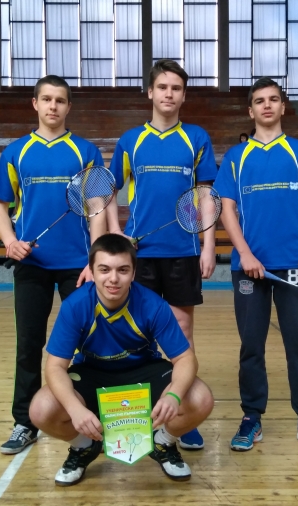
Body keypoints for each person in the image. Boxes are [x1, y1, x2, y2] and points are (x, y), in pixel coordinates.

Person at [28, 234, 214, 486]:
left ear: (133, 273)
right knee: (41, 409)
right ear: (92, 271)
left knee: (200, 398)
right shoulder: (75, 306)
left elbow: (185, 358)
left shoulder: (153, 305)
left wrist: (173, 396)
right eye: (104, 269)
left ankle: (162, 442)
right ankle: (84, 446)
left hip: (144, 371)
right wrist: (74, 409)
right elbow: (54, 367)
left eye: (122, 270)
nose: (113, 279)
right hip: (92, 373)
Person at [213, 77, 298, 454]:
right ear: (250, 111)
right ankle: (251, 417)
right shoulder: (236, 157)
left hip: (294, 264)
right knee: (251, 345)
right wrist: (245, 253)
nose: (266, 105)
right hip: (248, 267)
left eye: (273, 99)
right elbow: (226, 209)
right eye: (259, 101)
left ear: (283, 106)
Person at [0, 75, 107, 456]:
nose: (53, 106)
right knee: (29, 344)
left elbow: (97, 207)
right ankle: (25, 423)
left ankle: (93, 416)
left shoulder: (85, 151)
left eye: (60, 100)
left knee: (88, 343)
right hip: (32, 265)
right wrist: (10, 242)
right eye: (46, 99)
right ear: (35, 104)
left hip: (79, 267)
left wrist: (94, 259)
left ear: (68, 106)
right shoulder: (16, 153)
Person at [104, 59, 217, 450]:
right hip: (141, 254)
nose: (169, 94)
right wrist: (116, 232)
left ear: (184, 95)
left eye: (176, 88)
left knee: (182, 335)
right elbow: (109, 190)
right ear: (150, 92)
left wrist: (208, 245)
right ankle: (139, 415)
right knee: (138, 336)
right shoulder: (131, 140)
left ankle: (183, 415)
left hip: (183, 252)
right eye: (163, 87)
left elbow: (206, 195)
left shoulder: (196, 138)